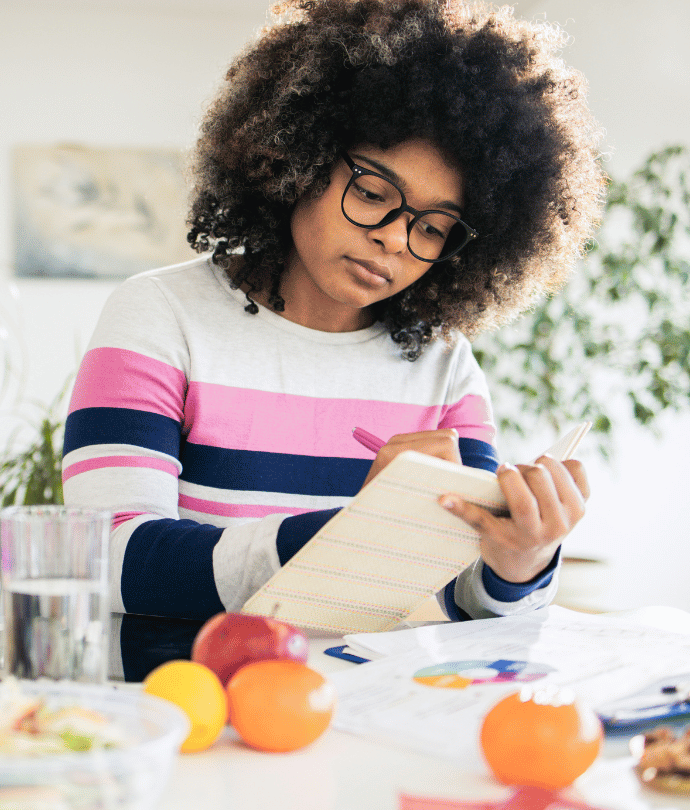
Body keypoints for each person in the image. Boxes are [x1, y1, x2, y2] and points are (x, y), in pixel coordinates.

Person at [62, 0, 605, 622]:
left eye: (433, 228)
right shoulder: (159, 316)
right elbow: (107, 562)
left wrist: (518, 561)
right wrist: (353, 534)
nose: (396, 240)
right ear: (297, 157)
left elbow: (463, 598)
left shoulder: (443, 365)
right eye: (373, 193)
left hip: (366, 702)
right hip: (183, 701)